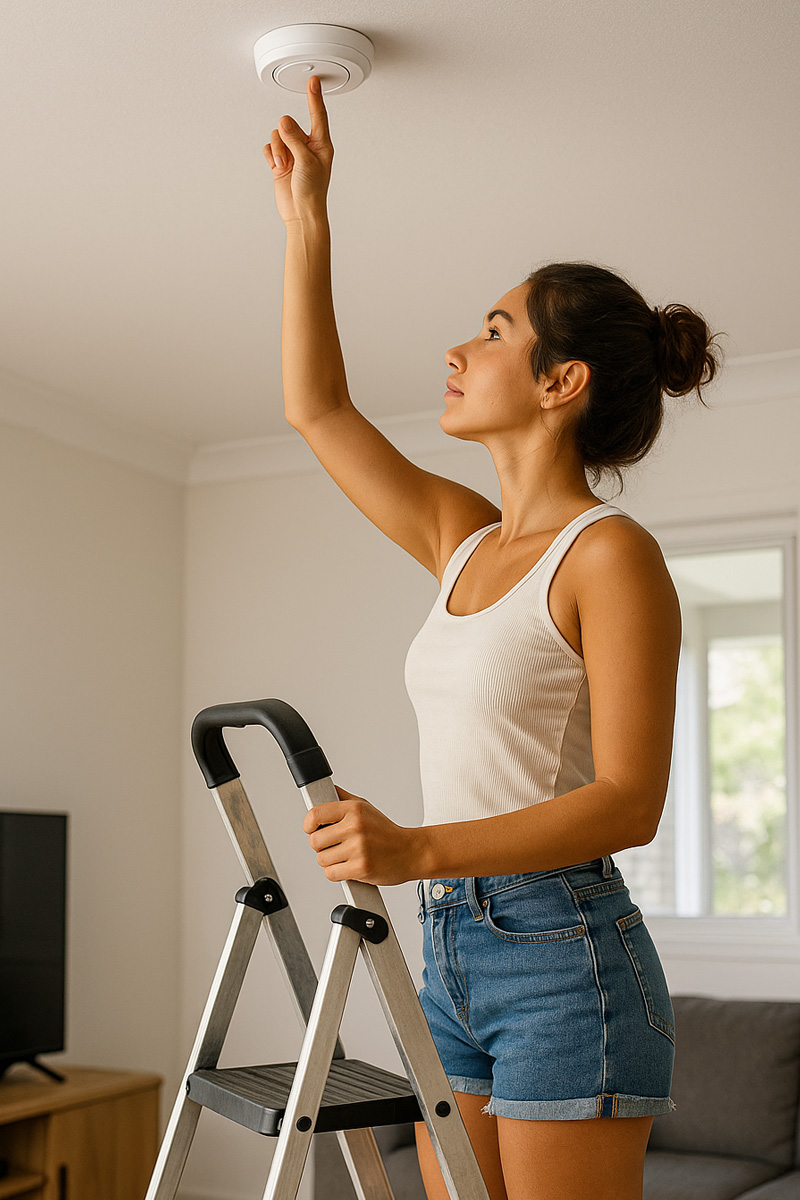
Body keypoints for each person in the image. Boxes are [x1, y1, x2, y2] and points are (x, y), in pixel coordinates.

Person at [264, 77, 723, 1200]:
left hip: (567, 955)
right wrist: (309, 223)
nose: (460, 350)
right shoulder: (461, 538)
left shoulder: (610, 555)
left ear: (560, 382)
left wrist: (414, 848)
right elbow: (316, 411)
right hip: (452, 952)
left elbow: (628, 799)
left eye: (494, 330)